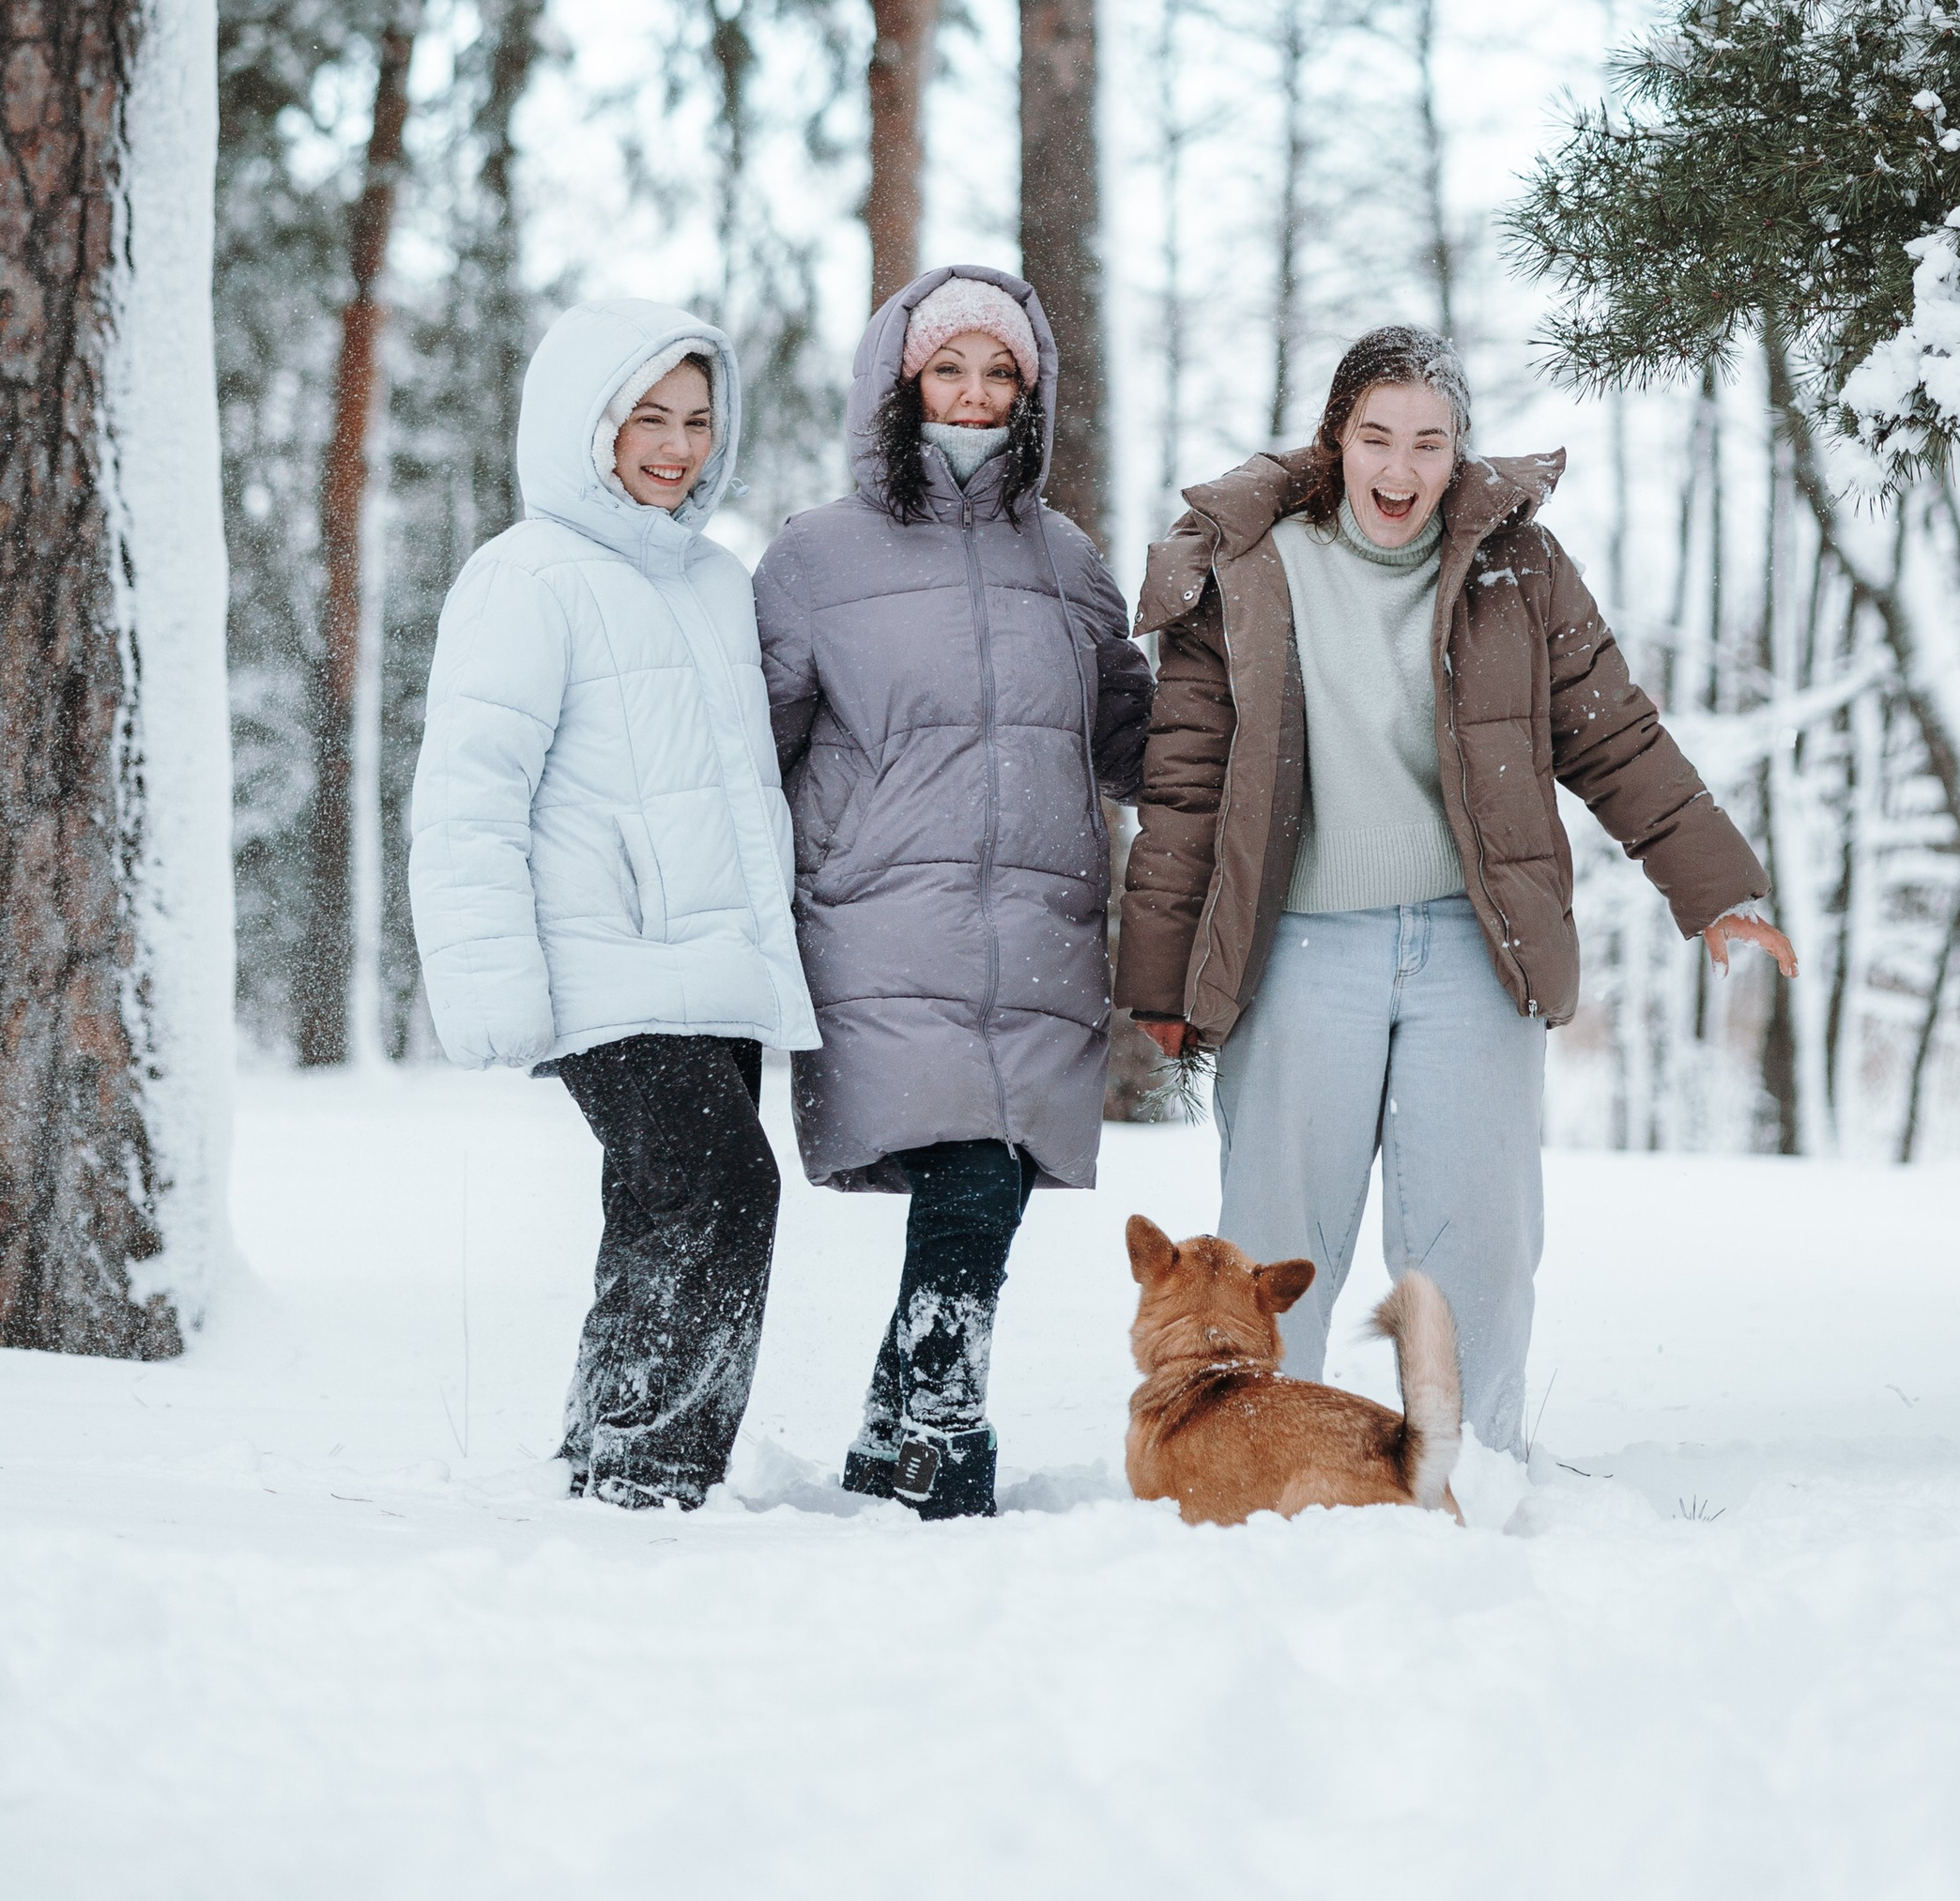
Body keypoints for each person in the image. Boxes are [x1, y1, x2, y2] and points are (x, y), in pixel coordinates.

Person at [1116, 323, 1794, 1457]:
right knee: (1280, 1242)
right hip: (1296, 950)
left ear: (1457, 453)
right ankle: (1246, 1463)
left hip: (1474, 954)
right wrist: (1159, 972)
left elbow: (1612, 736)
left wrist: (1717, 888)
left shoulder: (1514, 567)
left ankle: (1467, 1472)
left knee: (1472, 1236)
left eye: (1428, 443)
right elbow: (1182, 785)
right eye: (1375, 437)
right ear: (1336, 440)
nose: (1400, 468)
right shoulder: (1244, 565)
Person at [752, 263, 1152, 1522]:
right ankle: (944, 1442)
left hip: (1036, 936)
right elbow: (746, 751)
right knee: (972, 1180)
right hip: (882, 923)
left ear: (1031, 393)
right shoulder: (815, 558)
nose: (974, 394)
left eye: (1001, 371)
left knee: (990, 1187)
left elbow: (1131, 739)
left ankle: (886, 1448)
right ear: (899, 381)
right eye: (948, 367)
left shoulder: (1067, 559)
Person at [408, 300, 817, 1511]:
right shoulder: (523, 577)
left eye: (698, 419)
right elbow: (470, 794)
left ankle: (606, 1451)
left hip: (714, 973)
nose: (676, 445)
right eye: (647, 417)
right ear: (585, 425)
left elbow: (742, 792)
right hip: (603, 965)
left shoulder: (715, 582)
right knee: (726, 1190)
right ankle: (653, 1474)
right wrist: (492, 989)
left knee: (659, 1213)